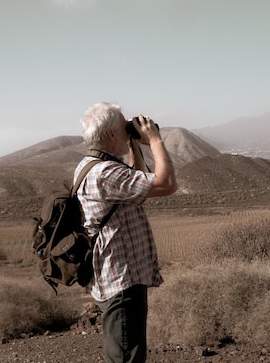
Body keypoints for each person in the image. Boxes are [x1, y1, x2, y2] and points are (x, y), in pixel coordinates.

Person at [75, 102, 177, 363]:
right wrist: (154, 139)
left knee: (127, 355)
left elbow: (135, 188)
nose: (127, 130)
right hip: (120, 282)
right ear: (110, 134)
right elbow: (166, 184)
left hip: (119, 278)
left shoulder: (92, 166)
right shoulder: (104, 173)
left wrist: (132, 144)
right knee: (126, 358)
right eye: (123, 128)